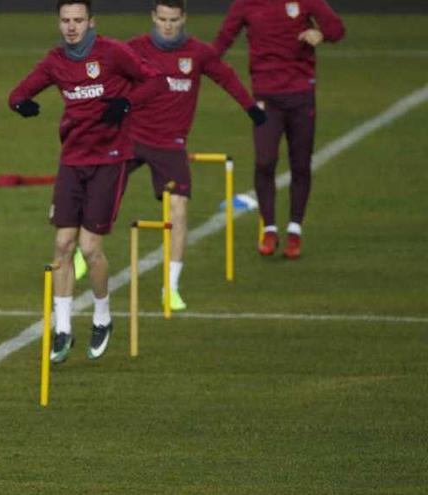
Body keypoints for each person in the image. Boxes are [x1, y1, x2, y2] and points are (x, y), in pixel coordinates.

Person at [8, 0, 160, 363]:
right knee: (62, 244)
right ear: (59, 23)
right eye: (65, 20)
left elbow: (155, 81)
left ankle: (103, 317)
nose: (72, 26)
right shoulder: (55, 61)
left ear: (92, 22)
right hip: (72, 161)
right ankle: (62, 330)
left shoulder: (113, 53)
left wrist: (125, 103)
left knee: (90, 249)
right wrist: (21, 104)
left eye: (78, 20)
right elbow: (18, 94)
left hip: (110, 160)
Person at [126, 0, 266, 310]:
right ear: (153, 17)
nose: (167, 25)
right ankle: (83, 253)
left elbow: (227, 77)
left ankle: (171, 288)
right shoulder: (134, 49)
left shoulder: (199, 53)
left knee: (178, 210)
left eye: (173, 19)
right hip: (130, 139)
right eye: (162, 19)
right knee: (99, 192)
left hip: (170, 145)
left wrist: (250, 108)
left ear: (183, 18)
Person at [213, 0, 345, 259]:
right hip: (265, 97)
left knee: (301, 163)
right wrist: (195, 66)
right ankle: (270, 229)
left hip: (301, 95)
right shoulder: (245, 4)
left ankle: (295, 230)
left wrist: (321, 33)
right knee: (265, 161)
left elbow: (337, 28)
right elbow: (221, 42)